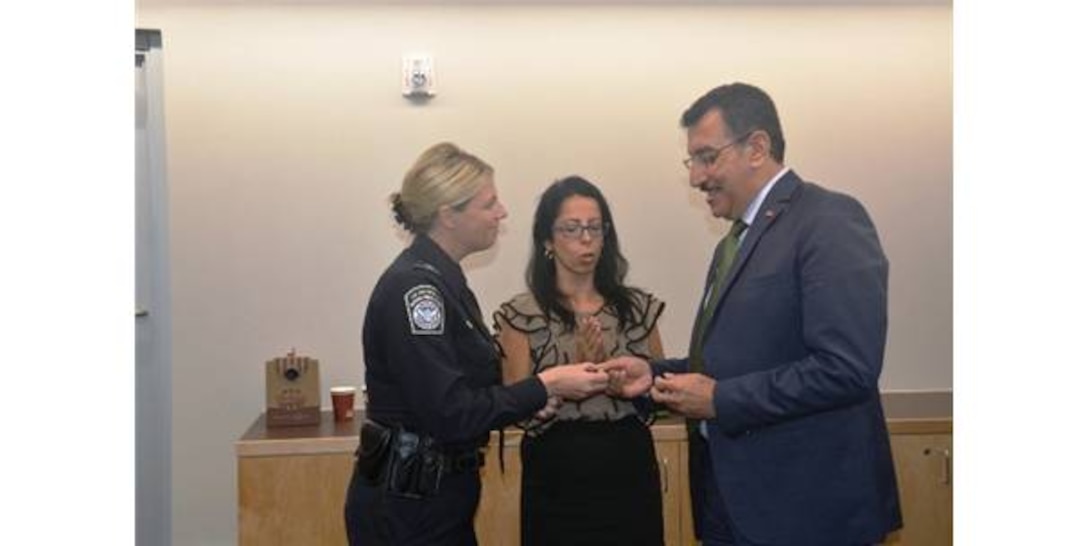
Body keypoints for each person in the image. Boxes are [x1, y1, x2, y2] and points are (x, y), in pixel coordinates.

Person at [602, 83, 902, 545]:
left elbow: (847, 368)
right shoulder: (733, 244)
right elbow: (735, 363)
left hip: (807, 513)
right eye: (693, 162)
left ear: (757, 148)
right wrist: (655, 375)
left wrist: (722, 400)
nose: (697, 178)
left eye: (707, 157)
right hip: (732, 504)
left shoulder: (828, 220)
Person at [343, 142, 611, 546]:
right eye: (489, 204)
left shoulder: (445, 281)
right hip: (409, 505)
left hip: (437, 496)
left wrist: (533, 403)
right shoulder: (417, 290)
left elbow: (471, 394)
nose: (501, 213)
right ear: (449, 214)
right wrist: (546, 384)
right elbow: (449, 412)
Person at [493, 176, 667, 546]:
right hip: (558, 468)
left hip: (628, 462)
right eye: (571, 229)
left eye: (594, 228)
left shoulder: (636, 309)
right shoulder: (522, 314)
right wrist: (573, 378)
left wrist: (626, 389)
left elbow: (661, 390)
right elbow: (513, 408)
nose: (586, 239)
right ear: (547, 240)